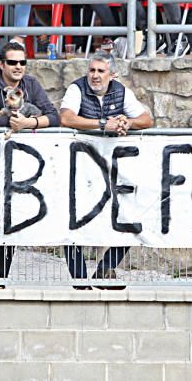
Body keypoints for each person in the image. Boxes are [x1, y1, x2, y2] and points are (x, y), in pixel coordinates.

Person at [59, 52, 153, 286]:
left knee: (131, 215)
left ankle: (106, 269)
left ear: (112, 74)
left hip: (113, 169)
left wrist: (127, 123)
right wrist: (103, 125)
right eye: (92, 70)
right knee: (69, 221)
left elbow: (146, 119)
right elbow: (66, 118)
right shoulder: (76, 89)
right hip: (80, 168)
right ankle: (80, 279)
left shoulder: (121, 91)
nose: (95, 76)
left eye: (101, 71)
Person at [0, 42, 59, 281]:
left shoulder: (31, 83)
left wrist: (29, 124)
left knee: (14, 213)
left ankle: (0, 276)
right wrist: (14, 121)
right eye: (12, 62)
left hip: (23, 161)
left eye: (22, 62)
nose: (18, 67)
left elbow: (54, 117)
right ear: (1, 64)